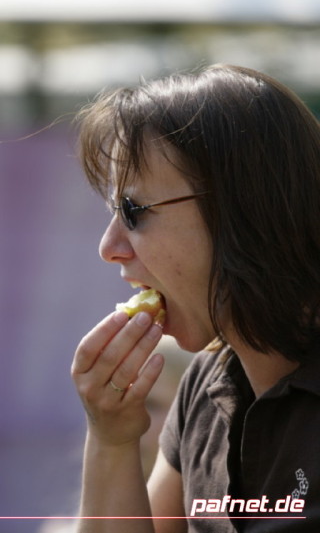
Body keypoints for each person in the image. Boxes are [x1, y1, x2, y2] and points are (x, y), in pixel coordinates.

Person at [70, 64, 320, 532]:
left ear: (242, 207)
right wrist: (111, 438)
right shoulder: (207, 385)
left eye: (132, 210)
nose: (109, 247)